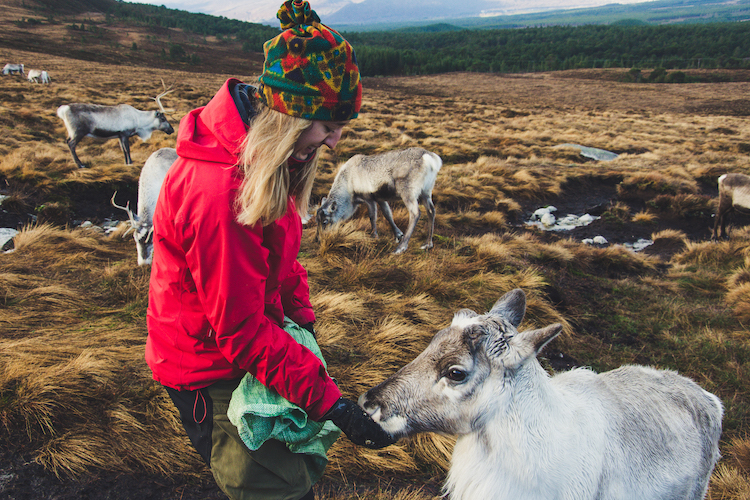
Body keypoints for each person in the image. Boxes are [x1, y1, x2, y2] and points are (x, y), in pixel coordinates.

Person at [144, 1, 395, 499]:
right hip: (206, 364)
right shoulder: (219, 194)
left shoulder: (261, 158)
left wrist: (300, 325)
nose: (335, 143)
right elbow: (239, 331)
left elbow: (280, 257)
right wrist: (332, 404)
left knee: (288, 469)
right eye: (327, 126)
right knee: (267, 487)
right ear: (290, 114)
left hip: (242, 341)